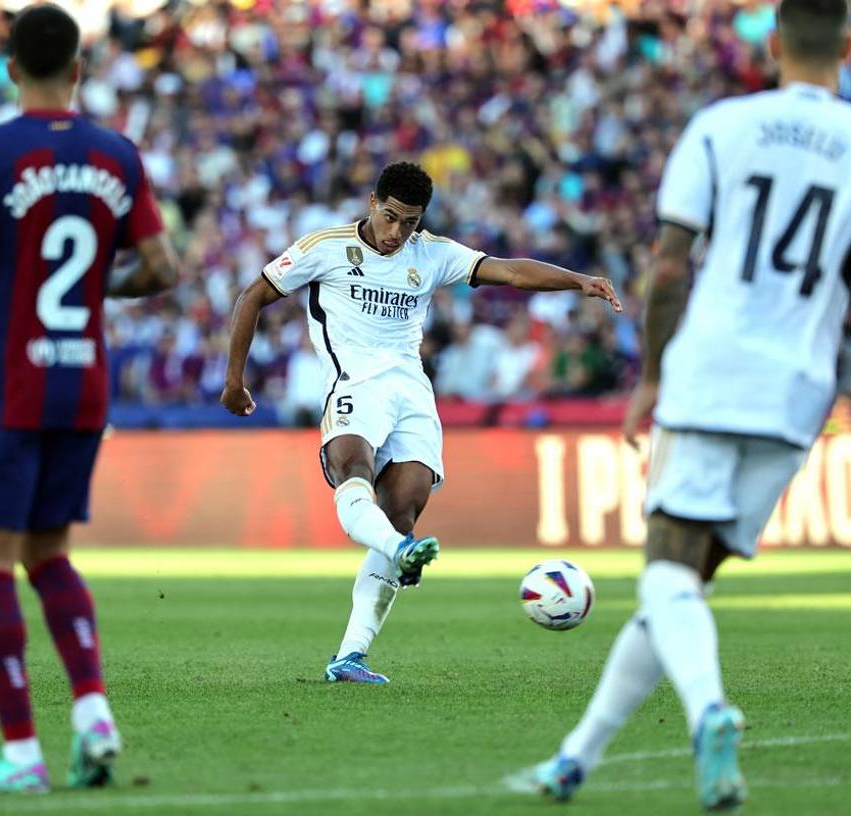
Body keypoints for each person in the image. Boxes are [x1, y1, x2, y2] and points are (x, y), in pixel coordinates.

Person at [516, 0, 851, 809]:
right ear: (848, 45)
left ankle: (709, 713)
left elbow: (668, 270)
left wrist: (654, 378)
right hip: (800, 391)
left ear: (772, 44)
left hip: (715, 370)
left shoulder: (720, 127)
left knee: (665, 571)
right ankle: (573, 761)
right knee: (683, 587)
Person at [0, 4, 177, 795]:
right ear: (78, 71)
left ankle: (22, 752)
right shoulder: (117, 154)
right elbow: (162, 268)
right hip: (82, 380)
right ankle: (92, 711)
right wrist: (98, 292)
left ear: (11, 68)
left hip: (6, 379)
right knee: (49, 555)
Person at [220, 161, 621, 684]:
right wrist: (234, 379)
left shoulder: (431, 254)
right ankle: (401, 553)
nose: (396, 233)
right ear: (371, 203)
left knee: (401, 511)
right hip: (353, 385)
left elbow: (513, 271)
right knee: (353, 472)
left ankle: (350, 656)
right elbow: (253, 295)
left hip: (411, 393)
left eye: (409, 222)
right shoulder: (326, 247)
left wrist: (579, 281)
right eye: (390, 218)